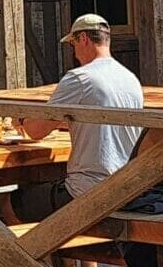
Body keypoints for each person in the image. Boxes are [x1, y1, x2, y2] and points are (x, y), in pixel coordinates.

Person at [41, 13, 144, 194]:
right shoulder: (130, 78)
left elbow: (36, 130)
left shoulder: (79, 78)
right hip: (128, 186)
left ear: (83, 38)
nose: (74, 52)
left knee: (11, 204)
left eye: (73, 45)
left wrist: (21, 120)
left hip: (89, 189)